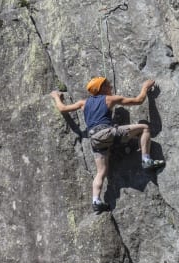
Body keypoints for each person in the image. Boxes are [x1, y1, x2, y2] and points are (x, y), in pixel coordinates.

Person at [50, 76, 164, 213]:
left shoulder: (83, 103)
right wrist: (145, 88)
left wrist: (56, 96)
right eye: (108, 85)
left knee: (101, 172)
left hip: (95, 139)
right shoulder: (110, 99)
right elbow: (139, 100)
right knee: (144, 128)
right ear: (102, 88)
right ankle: (146, 159)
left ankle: (96, 200)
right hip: (108, 133)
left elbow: (62, 108)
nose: (111, 87)